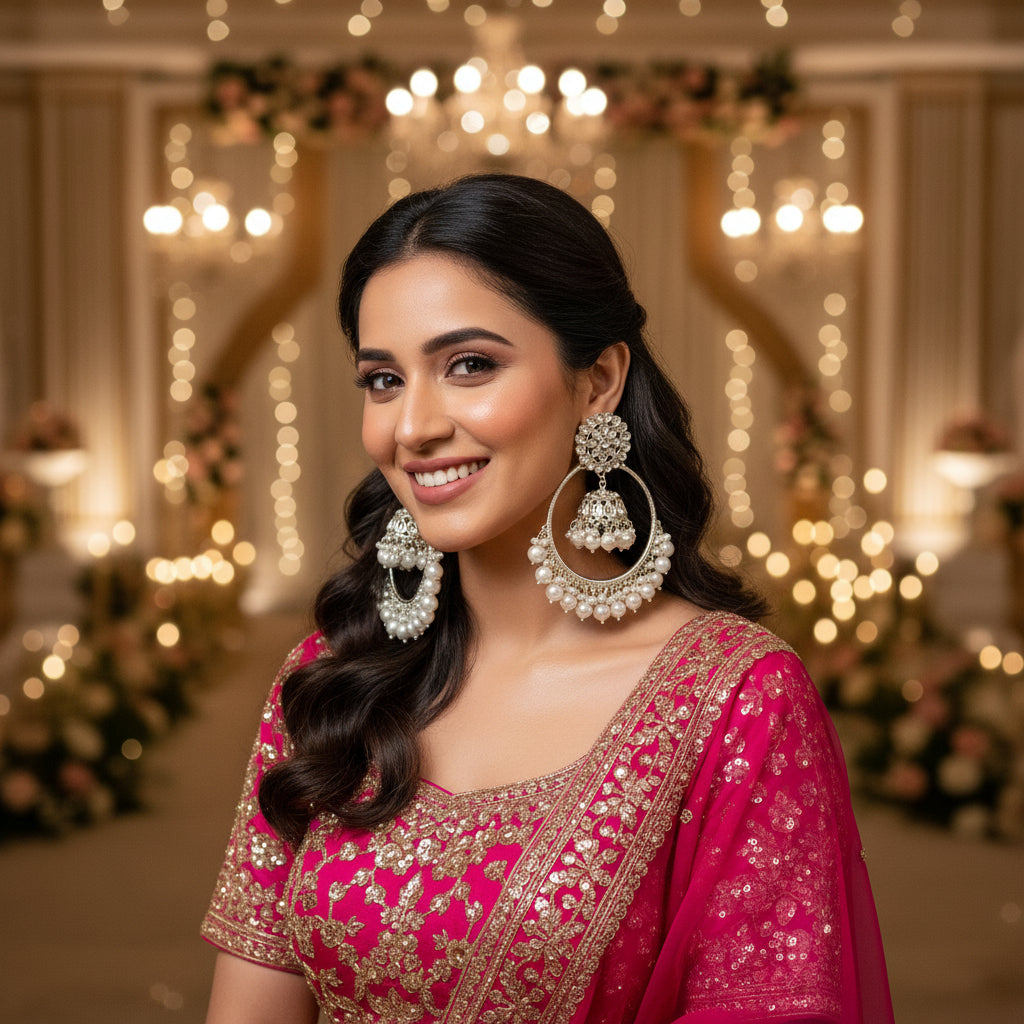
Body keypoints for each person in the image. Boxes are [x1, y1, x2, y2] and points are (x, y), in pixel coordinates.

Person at [201, 173, 894, 1023]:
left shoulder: (738, 701)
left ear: (597, 380)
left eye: (469, 365)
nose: (411, 426)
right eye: (382, 380)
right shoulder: (333, 676)